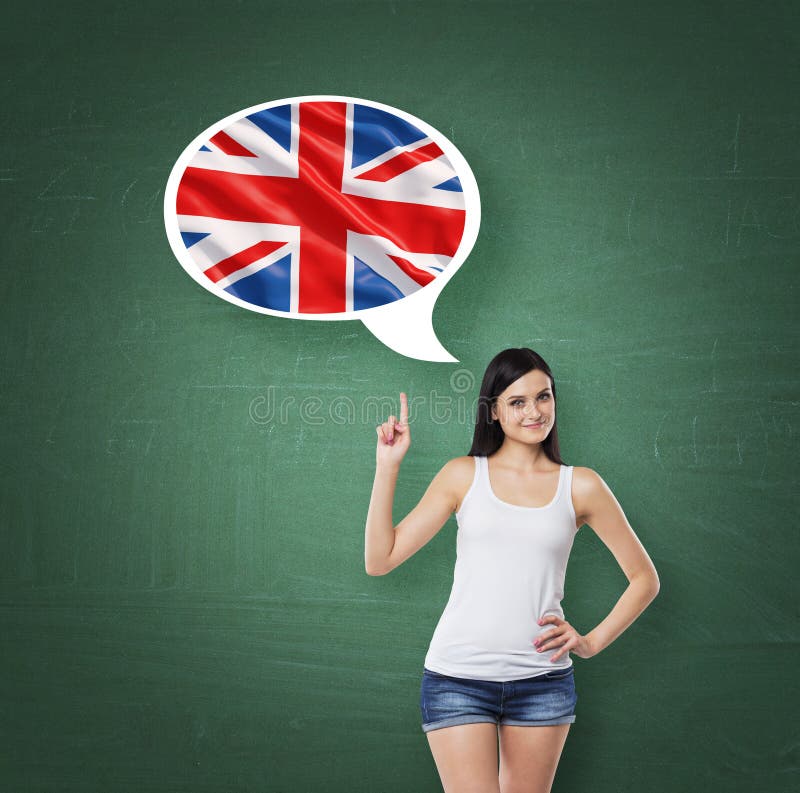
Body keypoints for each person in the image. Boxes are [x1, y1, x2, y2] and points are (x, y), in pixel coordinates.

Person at [364, 347, 660, 793]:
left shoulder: (581, 485)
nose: (534, 411)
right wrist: (388, 467)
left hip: (542, 684)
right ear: (494, 412)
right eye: (517, 402)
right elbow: (379, 560)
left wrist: (590, 642)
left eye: (543, 397)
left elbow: (645, 579)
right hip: (457, 679)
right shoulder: (462, 476)